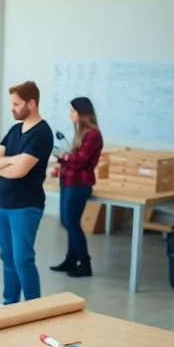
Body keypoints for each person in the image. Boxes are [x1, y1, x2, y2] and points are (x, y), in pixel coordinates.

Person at [0, 82, 53, 305]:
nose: (11, 108)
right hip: (4, 204)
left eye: (16, 104)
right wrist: (14, 159)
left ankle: (34, 308)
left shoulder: (42, 133)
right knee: (7, 258)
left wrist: (4, 165)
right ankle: (9, 305)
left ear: (31, 104)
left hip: (26, 206)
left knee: (23, 259)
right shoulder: (15, 130)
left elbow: (19, 172)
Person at [51, 98, 103, 278]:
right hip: (68, 182)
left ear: (83, 113)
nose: (70, 114)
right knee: (67, 223)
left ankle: (85, 263)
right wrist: (61, 168)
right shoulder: (81, 133)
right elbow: (73, 160)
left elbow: (78, 162)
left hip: (79, 184)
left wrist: (60, 155)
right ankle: (71, 259)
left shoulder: (93, 135)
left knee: (72, 223)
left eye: (73, 111)